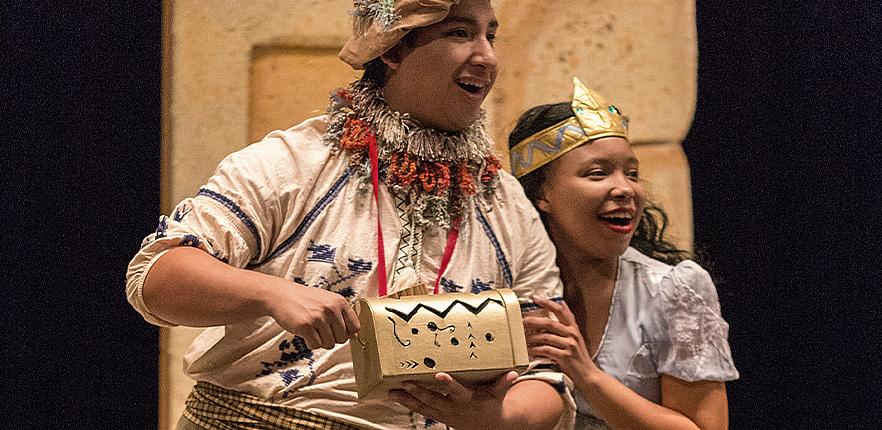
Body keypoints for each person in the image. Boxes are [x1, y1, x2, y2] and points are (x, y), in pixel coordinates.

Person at [126, 1, 575, 429]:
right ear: (394, 48)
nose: (487, 56)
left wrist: (494, 420)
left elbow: (549, 372)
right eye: (460, 33)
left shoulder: (505, 202)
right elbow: (156, 278)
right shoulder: (295, 164)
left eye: (491, 35)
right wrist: (272, 293)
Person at [510, 78, 739, 430]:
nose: (625, 189)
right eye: (598, 173)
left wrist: (587, 375)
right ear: (542, 194)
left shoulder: (675, 290)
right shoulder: (513, 286)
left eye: (632, 173)